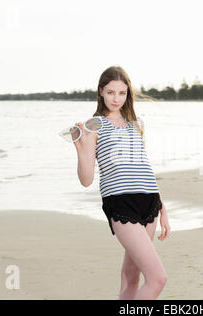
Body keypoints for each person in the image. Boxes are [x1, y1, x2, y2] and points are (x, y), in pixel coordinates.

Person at [73, 65, 170, 300]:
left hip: (149, 202)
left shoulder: (137, 124)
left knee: (131, 276)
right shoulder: (93, 125)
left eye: (121, 93)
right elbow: (86, 180)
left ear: (128, 94)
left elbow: (143, 167)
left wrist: (162, 208)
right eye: (110, 92)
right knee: (158, 278)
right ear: (100, 92)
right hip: (121, 203)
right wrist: (79, 147)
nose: (116, 99)